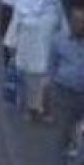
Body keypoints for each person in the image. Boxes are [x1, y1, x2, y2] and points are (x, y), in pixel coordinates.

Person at [4, 0, 63, 121]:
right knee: (29, 85)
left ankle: (45, 111)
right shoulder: (23, 3)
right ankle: (30, 111)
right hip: (27, 52)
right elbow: (14, 27)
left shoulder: (54, 1)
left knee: (45, 84)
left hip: (47, 51)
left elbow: (63, 25)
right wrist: (11, 48)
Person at [49, 9, 84, 161]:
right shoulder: (58, 40)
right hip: (64, 94)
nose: (78, 26)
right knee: (62, 132)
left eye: (82, 23)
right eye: (75, 22)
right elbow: (52, 65)